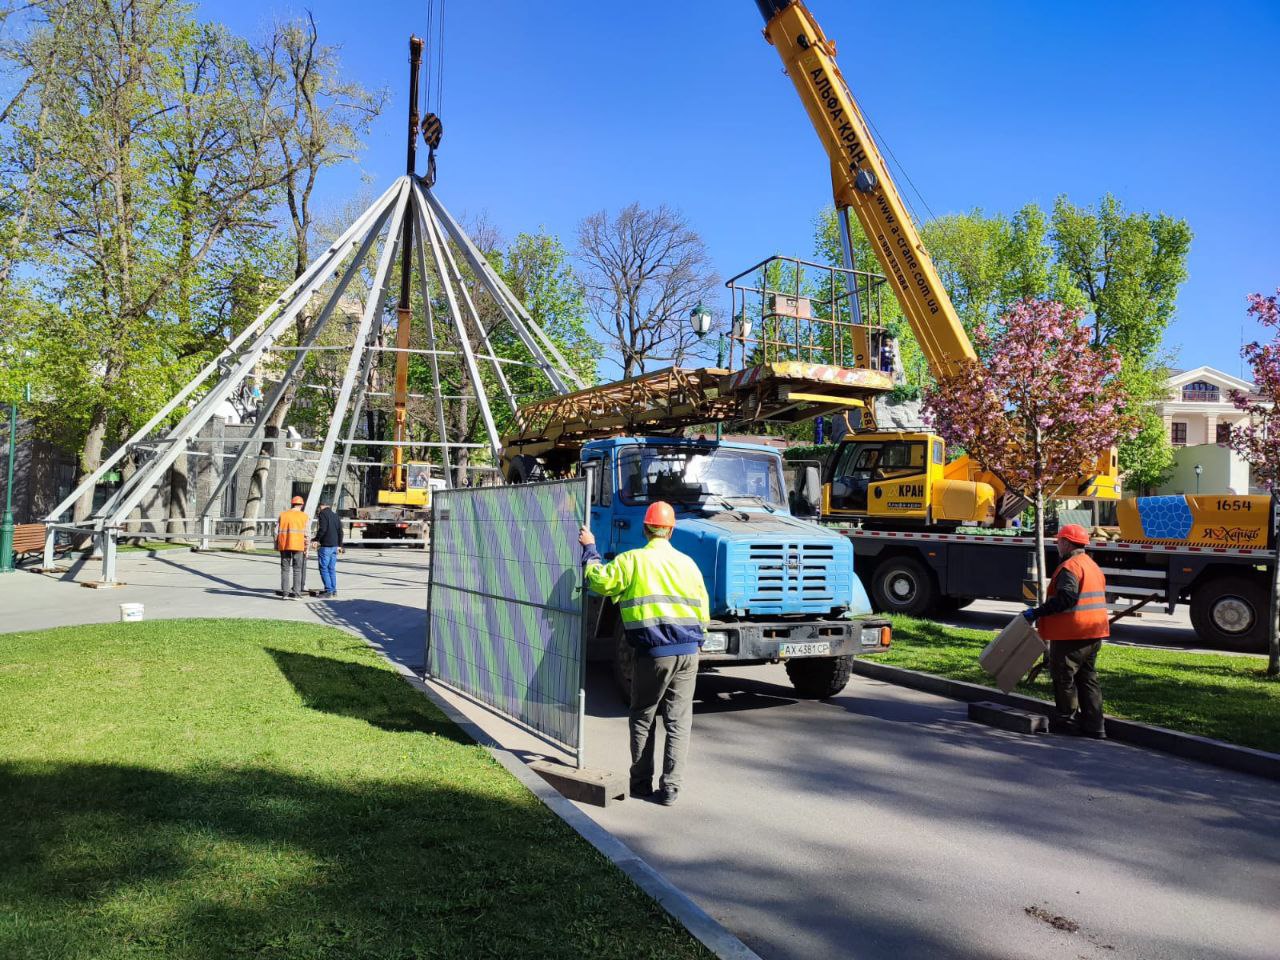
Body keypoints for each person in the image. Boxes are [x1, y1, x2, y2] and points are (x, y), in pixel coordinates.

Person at [578, 501, 709, 806]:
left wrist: (590, 549)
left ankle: (640, 783)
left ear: (645, 528)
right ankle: (671, 789)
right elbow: (703, 610)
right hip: (689, 651)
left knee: (643, 715)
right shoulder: (688, 564)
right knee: (678, 721)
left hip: (654, 652)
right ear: (671, 530)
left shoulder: (633, 560)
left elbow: (600, 581)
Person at [1023, 523, 1108, 739]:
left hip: (1072, 633)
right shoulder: (1091, 565)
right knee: (1088, 678)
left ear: (1067, 543)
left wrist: (1038, 612)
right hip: (1093, 632)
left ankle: (1066, 722)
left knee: (1064, 677)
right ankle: (1095, 726)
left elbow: (1066, 599)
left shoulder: (1070, 567)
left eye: (1059, 541)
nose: (1057, 545)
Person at [276, 495, 310, 599]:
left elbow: (275, 532)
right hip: (298, 546)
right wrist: (307, 549)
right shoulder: (304, 516)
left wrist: (277, 545)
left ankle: (285, 594)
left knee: (285, 569)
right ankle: (296, 594)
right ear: (302, 505)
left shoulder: (283, 515)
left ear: (292, 504)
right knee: (297, 570)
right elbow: (307, 534)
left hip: (284, 545)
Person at [312, 499, 344, 598]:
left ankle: (328, 590)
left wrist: (316, 539)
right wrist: (339, 545)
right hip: (334, 546)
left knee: (324, 568)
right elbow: (340, 532)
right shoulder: (335, 515)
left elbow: (323, 529)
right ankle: (334, 590)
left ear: (321, 506)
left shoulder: (322, 514)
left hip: (325, 546)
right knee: (331, 569)